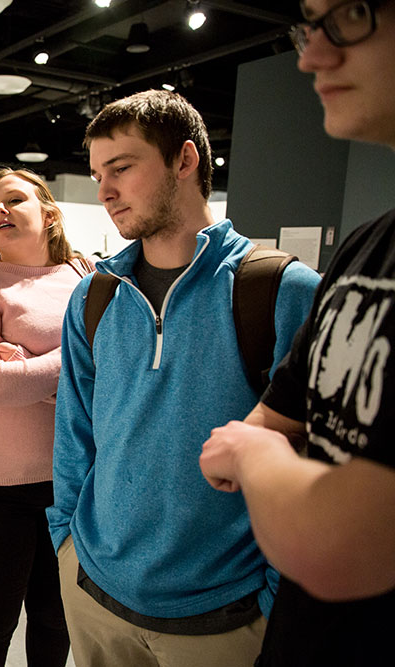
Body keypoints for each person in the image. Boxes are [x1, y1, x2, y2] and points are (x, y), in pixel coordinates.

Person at [45, 89, 321, 667]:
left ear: (185, 160)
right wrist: (66, 541)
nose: (105, 192)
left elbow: (322, 463)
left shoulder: (281, 291)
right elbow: (74, 431)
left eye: (121, 168)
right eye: (98, 174)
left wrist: (275, 597)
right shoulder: (94, 297)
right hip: (96, 593)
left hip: (226, 615)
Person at [199, 2, 395, 665]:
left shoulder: (280, 279)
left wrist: (249, 454)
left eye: (350, 14)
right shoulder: (368, 246)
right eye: (308, 27)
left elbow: (341, 541)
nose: (310, 55)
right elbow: (282, 410)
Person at [0, 168, 84, 666]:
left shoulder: (86, 274)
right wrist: (73, 366)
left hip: (72, 484)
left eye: (13, 200)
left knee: (56, 621)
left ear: (49, 214)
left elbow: (114, 371)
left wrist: (30, 367)